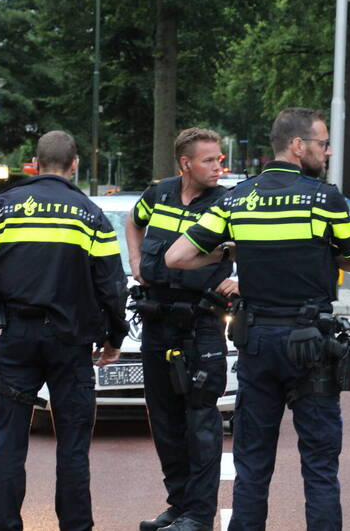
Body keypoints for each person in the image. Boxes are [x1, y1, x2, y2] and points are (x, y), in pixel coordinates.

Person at [166, 107, 350, 531]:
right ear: (299, 146)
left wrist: (235, 250)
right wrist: (315, 253)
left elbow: (177, 256)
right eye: (322, 143)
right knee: (318, 464)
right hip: (312, 344)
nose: (327, 151)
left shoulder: (238, 198)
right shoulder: (324, 199)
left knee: (253, 461)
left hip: (258, 339)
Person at [0, 131, 128, 531]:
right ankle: (76, 525)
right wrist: (113, 336)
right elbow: (112, 284)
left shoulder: (2, 207)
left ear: (33, 162)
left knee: (11, 441)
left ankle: (3, 524)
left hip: (18, 336)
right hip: (71, 341)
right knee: (72, 444)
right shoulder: (89, 213)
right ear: (75, 165)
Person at [125, 128, 238, 531]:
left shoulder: (228, 203)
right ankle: (178, 506)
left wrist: (242, 281)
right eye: (209, 160)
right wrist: (136, 262)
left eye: (220, 159)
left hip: (202, 324)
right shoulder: (159, 194)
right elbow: (132, 221)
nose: (218, 166)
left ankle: (198, 515)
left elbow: (260, 248)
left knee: (201, 423)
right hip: (157, 322)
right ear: (185, 163)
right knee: (165, 420)